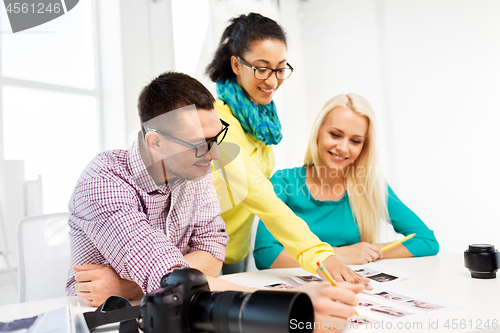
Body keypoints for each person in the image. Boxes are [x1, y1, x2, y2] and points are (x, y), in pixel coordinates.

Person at [67, 71, 364, 330]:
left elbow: (213, 252)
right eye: (200, 144)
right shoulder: (103, 181)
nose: (215, 155)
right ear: (155, 142)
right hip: (100, 319)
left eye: (216, 137)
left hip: (175, 310)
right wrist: (290, 304)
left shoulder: (193, 171)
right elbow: (171, 279)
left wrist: (125, 283)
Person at [207, 12, 367, 284]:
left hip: (234, 252)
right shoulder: (216, 122)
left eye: (280, 69)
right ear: (236, 64)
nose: (272, 80)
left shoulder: (261, 127)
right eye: (261, 68)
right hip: (194, 250)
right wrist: (318, 253)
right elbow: (257, 192)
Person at [253, 94, 439, 269]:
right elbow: (266, 255)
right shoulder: (283, 182)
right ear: (318, 132)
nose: (343, 148)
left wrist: (370, 252)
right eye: (335, 135)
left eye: (355, 141)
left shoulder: (369, 186)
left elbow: (426, 241)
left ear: (364, 146)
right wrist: (339, 255)